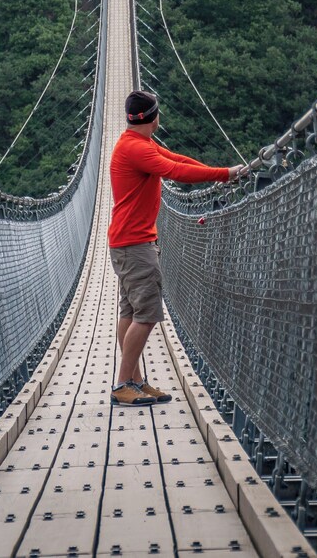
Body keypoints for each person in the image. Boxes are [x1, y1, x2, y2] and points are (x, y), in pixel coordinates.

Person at [108, 90, 245, 406]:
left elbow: (177, 160)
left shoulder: (138, 143)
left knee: (131, 311)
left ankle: (134, 382)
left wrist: (220, 174)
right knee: (147, 315)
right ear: (153, 117)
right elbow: (176, 172)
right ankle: (123, 385)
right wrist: (224, 174)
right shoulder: (136, 149)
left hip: (129, 241)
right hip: (135, 244)